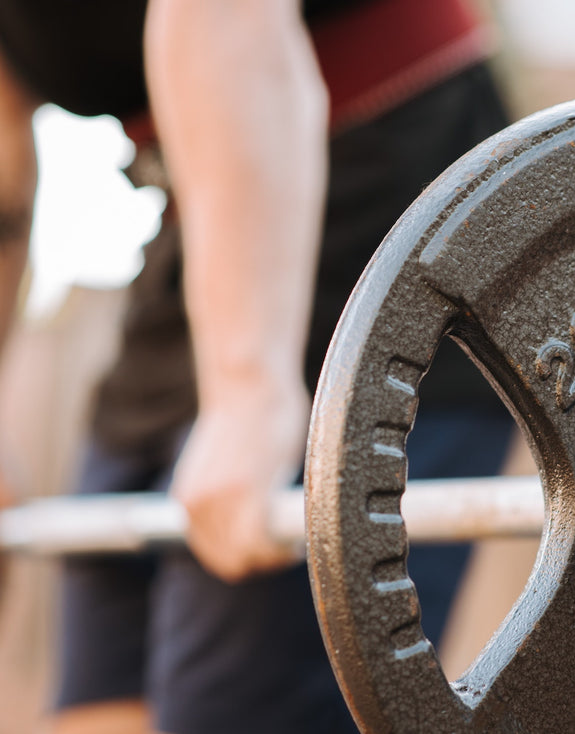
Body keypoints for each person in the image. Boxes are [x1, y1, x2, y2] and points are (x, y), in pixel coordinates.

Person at [0, 1, 515, 732]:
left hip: (396, 215)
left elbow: (226, 18)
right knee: (99, 705)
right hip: (195, 228)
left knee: (231, 706)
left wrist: (250, 392)